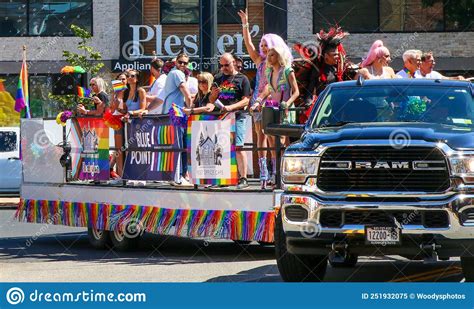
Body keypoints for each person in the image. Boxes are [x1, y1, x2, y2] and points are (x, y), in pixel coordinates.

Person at [238, 9, 292, 188]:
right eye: (261, 45)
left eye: (266, 45)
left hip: (271, 102)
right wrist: (245, 24)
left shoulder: (280, 67)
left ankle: (276, 173)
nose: (262, 48)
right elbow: (248, 45)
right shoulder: (260, 62)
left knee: (272, 140)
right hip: (257, 102)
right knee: (259, 138)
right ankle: (263, 173)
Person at [254, 46, 300, 187]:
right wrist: (258, 101)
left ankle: (284, 174)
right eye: (268, 54)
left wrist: (287, 103)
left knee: (282, 142)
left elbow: (296, 92)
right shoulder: (268, 72)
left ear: (279, 57)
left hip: (284, 111)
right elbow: (268, 89)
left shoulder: (287, 71)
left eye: (272, 55)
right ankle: (275, 174)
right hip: (272, 109)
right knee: (272, 142)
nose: (269, 57)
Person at [209, 53, 251, 189]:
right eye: (221, 65)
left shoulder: (242, 79)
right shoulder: (217, 78)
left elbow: (246, 100)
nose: (224, 68)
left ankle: (243, 178)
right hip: (222, 117)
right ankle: (223, 178)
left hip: (238, 115)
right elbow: (211, 100)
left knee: (239, 146)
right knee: (221, 147)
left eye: (226, 65)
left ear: (234, 62)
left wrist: (230, 107)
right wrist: (214, 95)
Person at [109, 72, 128, 178]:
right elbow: (111, 108)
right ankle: (113, 169)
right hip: (116, 120)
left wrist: (118, 108)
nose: (122, 81)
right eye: (120, 79)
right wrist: (114, 105)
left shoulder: (128, 92)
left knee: (124, 147)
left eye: (124, 79)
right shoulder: (116, 92)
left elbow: (126, 109)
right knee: (119, 147)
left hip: (125, 120)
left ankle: (112, 168)